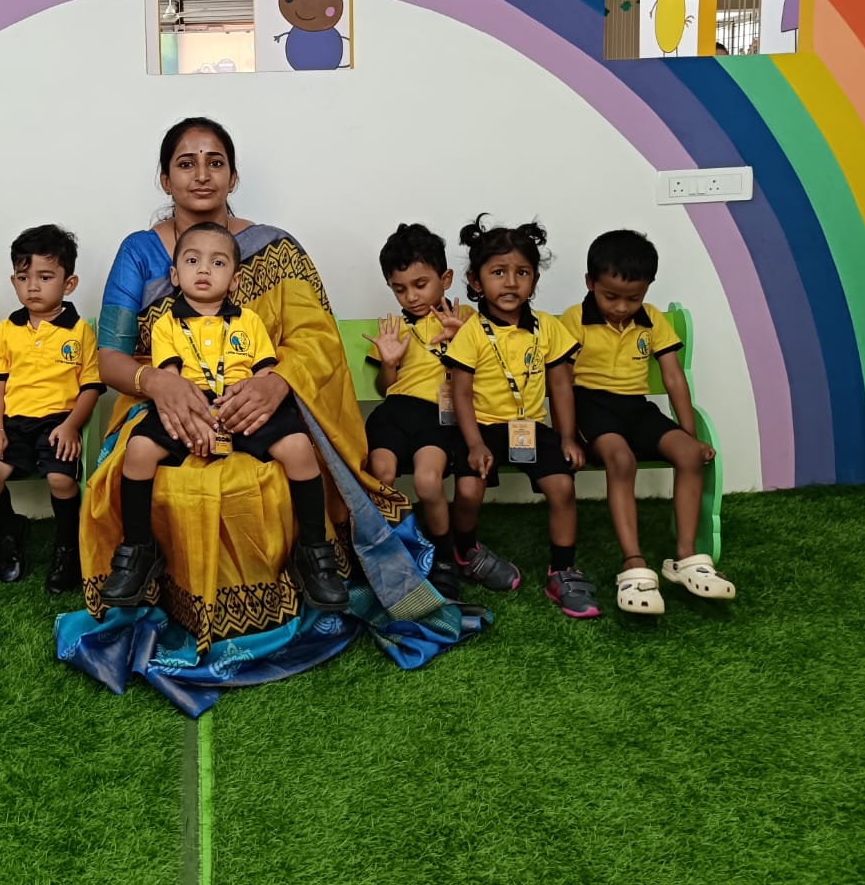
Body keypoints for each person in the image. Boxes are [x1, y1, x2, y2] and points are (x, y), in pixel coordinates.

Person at [58, 117, 478, 713]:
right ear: (165, 178)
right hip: (163, 404)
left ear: (233, 176)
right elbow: (111, 359)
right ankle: (142, 565)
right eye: (185, 163)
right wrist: (160, 385)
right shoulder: (139, 252)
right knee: (162, 473)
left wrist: (276, 382)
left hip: (259, 403)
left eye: (215, 161)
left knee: (279, 468)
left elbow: (316, 340)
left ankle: (314, 566)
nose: (201, 174)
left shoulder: (274, 249)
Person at [100, 221, 346, 611]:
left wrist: (252, 401)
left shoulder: (249, 321)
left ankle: (314, 552)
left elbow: (265, 371)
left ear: (234, 280)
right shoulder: (167, 325)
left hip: (241, 402)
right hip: (190, 402)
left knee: (299, 447)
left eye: (217, 263)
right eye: (192, 261)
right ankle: (138, 548)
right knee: (140, 451)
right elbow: (170, 379)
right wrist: (193, 416)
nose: (204, 269)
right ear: (174, 275)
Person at [560, 230, 731, 613]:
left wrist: (688, 435)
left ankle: (685, 558)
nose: (622, 307)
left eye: (633, 298)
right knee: (622, 460)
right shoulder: (574, 319)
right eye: (611, 297)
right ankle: (633, 562)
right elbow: (561, 383)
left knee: (689, 455)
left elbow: (673, 377)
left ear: (647, 289)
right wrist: (567, 435)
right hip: (592, 409)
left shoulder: (652, 320)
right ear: (590, 283)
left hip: (637, 409)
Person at [442, 219, 598, 620]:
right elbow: (461, 393)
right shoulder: (472, 332)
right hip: (482, 429)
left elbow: (561, 386)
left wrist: (567, 437)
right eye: (498, 272)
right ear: (475, 281)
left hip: (529, 427)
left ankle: (561, 571)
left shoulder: (548, 327)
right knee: (468, 491)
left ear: (534, 280)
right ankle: (465, 552)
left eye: (522, 273)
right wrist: (474, 444)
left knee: (562, 487)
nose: (511, 283)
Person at [0, 225, 103, 592]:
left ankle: (67, 546)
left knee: (61, 479)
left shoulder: (79, 331)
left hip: (58, 424)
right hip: (12, 425)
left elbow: (90, 388)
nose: (32, 287)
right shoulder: (6, 330)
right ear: (13, 281)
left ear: (69, 283)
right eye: (23, 277)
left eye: (45, 277)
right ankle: (10, 531)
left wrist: (72, 426)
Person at [362, 223, 475, 601]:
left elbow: (484, 375)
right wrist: (389, 362)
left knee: (428, 481)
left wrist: (462, 343)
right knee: (381, 475)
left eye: (420, 284)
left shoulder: (466, 319)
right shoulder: (394, 328)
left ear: (446, 279)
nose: (410, 296)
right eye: (399, 289)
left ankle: (443, 558)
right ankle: (388, 553)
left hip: (437, 417)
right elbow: (385, 388)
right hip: (394, 412)